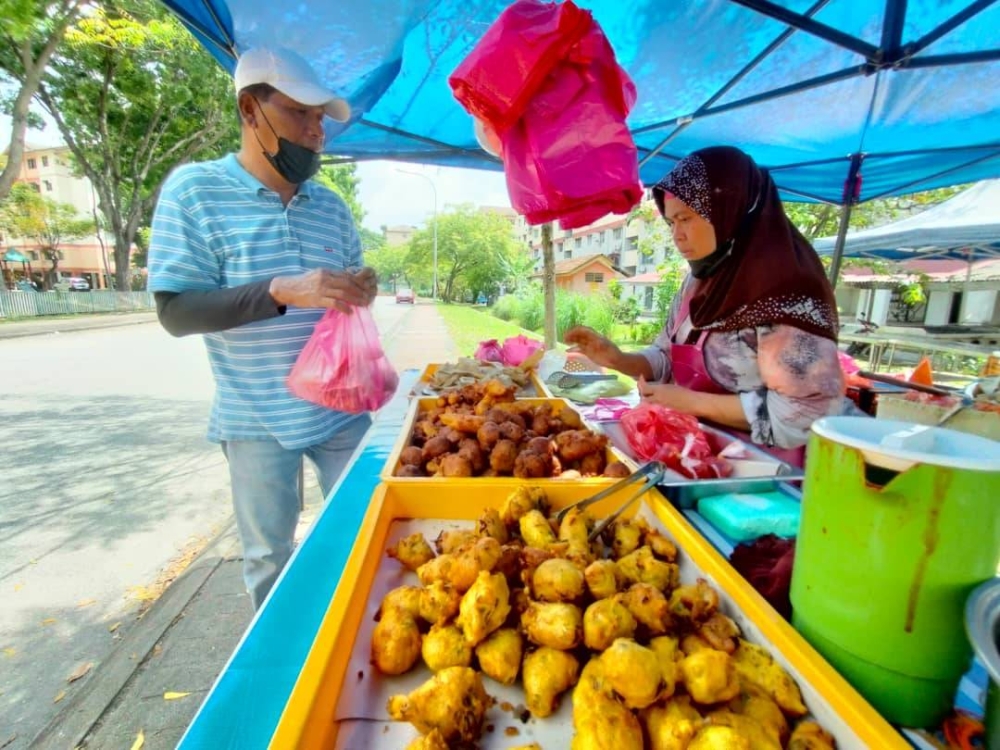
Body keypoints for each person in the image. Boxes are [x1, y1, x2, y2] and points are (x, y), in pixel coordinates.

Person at [147, 47, 379, 609]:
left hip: (340, 409)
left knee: (368, 533)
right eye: (302, 113)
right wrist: (278, 290)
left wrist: (359, 289)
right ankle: (283, 676)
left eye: (321, 118)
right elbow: (176, 312)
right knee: (269, 557)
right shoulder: (194, 192)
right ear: (251, 110)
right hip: (254, 416)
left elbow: (344, 298)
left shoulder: (331, 207)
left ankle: (356, 639)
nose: (317, 131)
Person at [566, 146, 848, 466]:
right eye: (671, 222)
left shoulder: (787, 291)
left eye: (685, 218)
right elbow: (666, 356)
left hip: (764, 476)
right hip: (695, 454)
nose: (677, 235)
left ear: (729, 210)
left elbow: (806, 412)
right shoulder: (700, 281)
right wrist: (619, 359)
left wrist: (692, 402)